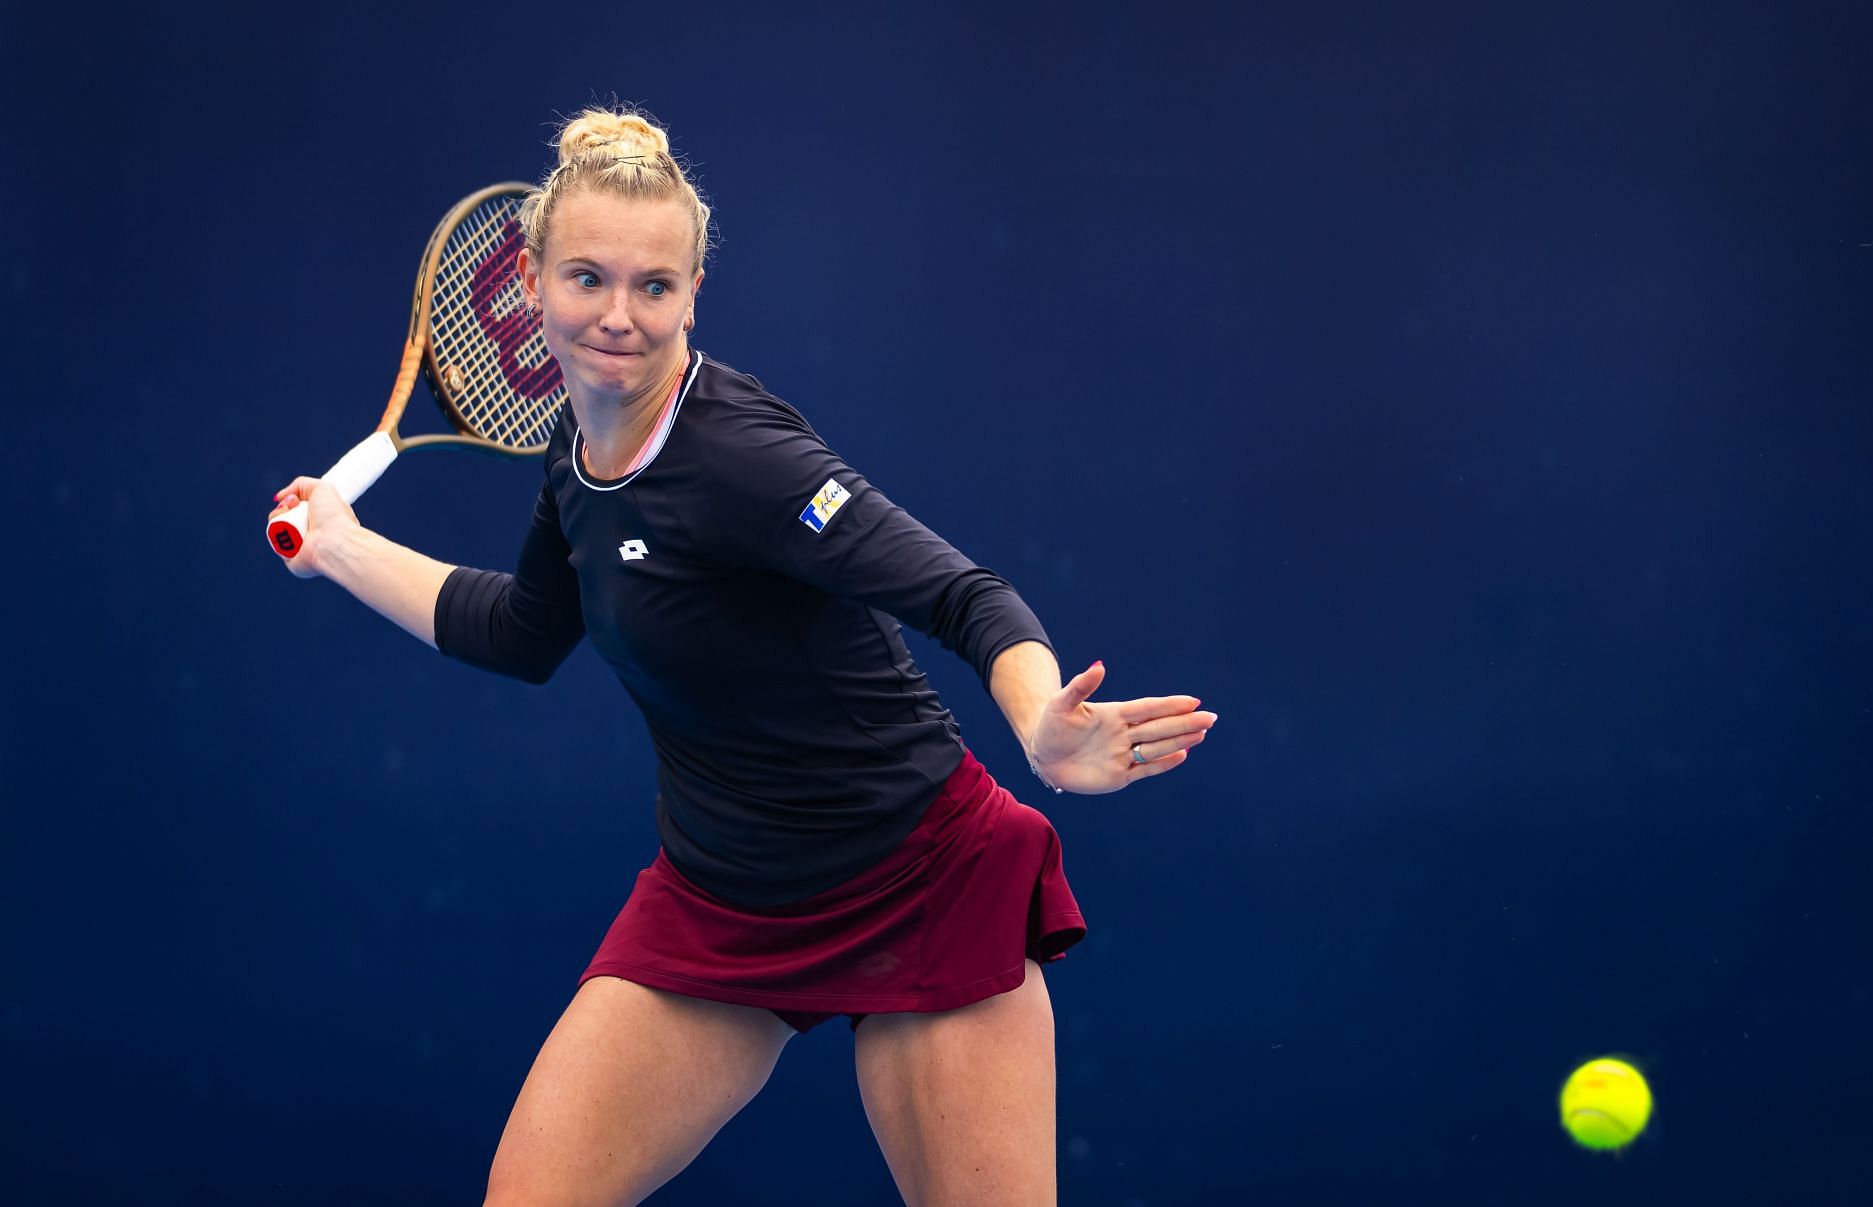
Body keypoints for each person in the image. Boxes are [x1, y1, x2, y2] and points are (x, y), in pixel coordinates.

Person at [268, 105, 1215, 1207]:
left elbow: (963, 595)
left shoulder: (747, 458)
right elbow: (521, 632)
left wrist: (1041, 718)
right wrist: (340, 544)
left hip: (917, 874)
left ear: (693, 294)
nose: (618, 316)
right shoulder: (574, 464)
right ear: (529, 282)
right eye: (586, 278)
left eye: (654, 287)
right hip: (722, 898)